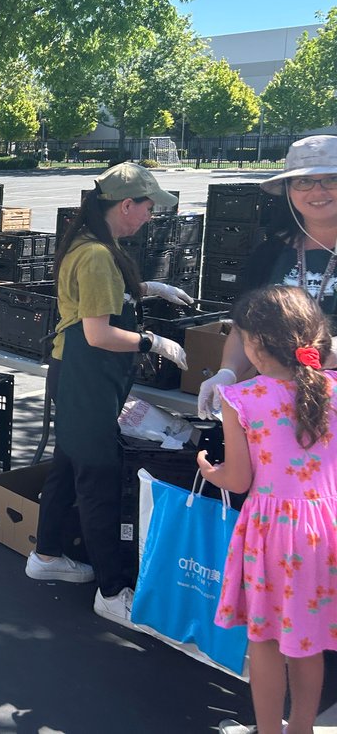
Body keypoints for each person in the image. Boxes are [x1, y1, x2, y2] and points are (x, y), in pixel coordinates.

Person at [24, 162, 192, 627]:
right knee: (96, 479)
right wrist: (151, 342)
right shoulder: (97, 254)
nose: (151, 215)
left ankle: (47, 555)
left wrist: (148, 289)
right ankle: (112, 592)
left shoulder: (93, 244)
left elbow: (98, 301)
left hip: (74, 373)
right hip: (85, 376)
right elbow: (98, 334)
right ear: (126, 205)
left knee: (66, 465)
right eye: (148, 206)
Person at [198, 285, 337, 734]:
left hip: (271, 532)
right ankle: (302, 729)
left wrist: (209, 469)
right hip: (325, 530)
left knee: (264, 639)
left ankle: (269, 731)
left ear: (255, 344)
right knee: (308, 640)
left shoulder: (243, 400)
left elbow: (238, 480)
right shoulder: (332, 389)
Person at [198, 135, 337, 419]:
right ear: (288, 189)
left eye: (331, 179)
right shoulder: (269, 252)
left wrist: (321, 354)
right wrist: (228, 372)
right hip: (274, 404)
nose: (317, 191)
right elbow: (243, 325)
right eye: (303, 181)